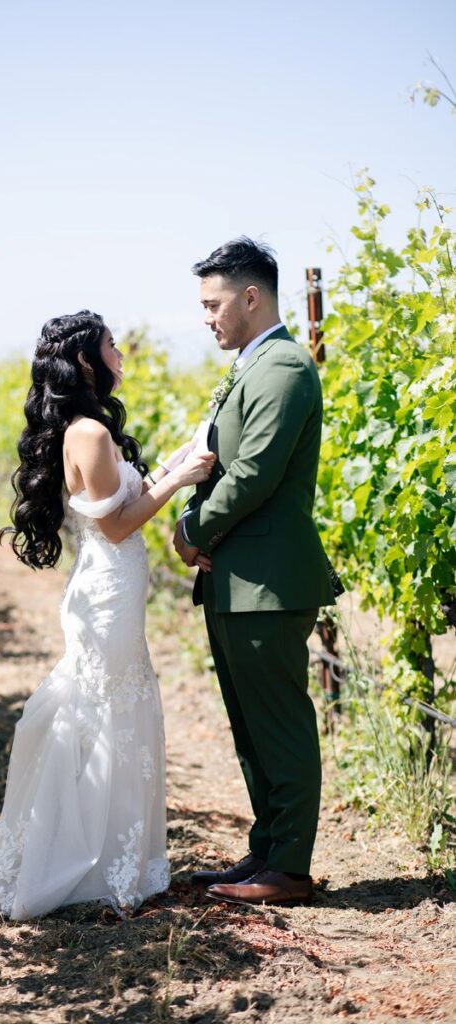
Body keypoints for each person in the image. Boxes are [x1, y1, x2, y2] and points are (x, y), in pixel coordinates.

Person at [0, 310, 215, 920]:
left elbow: (123, 497)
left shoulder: (89, 428)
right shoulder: (90, 433)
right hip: (106, 594)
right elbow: (118, 524)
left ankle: (107, 855)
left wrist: (176, 459)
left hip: (108, 590)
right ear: (83, 360)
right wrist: (178, 480)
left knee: (111, 708)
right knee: (107, 712)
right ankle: (91, 864)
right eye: (111, 345)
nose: (120, 354)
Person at [174, 238, 335, 907]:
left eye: (214, 304)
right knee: (250, 726)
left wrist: (192, 530)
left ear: (251, 297)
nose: (206, 317)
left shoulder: (284, 367)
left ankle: (289, 867)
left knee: (279, 725)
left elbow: (254, 473)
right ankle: (267, 849)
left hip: (266, 582)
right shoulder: (252, 366)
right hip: (236, 581)